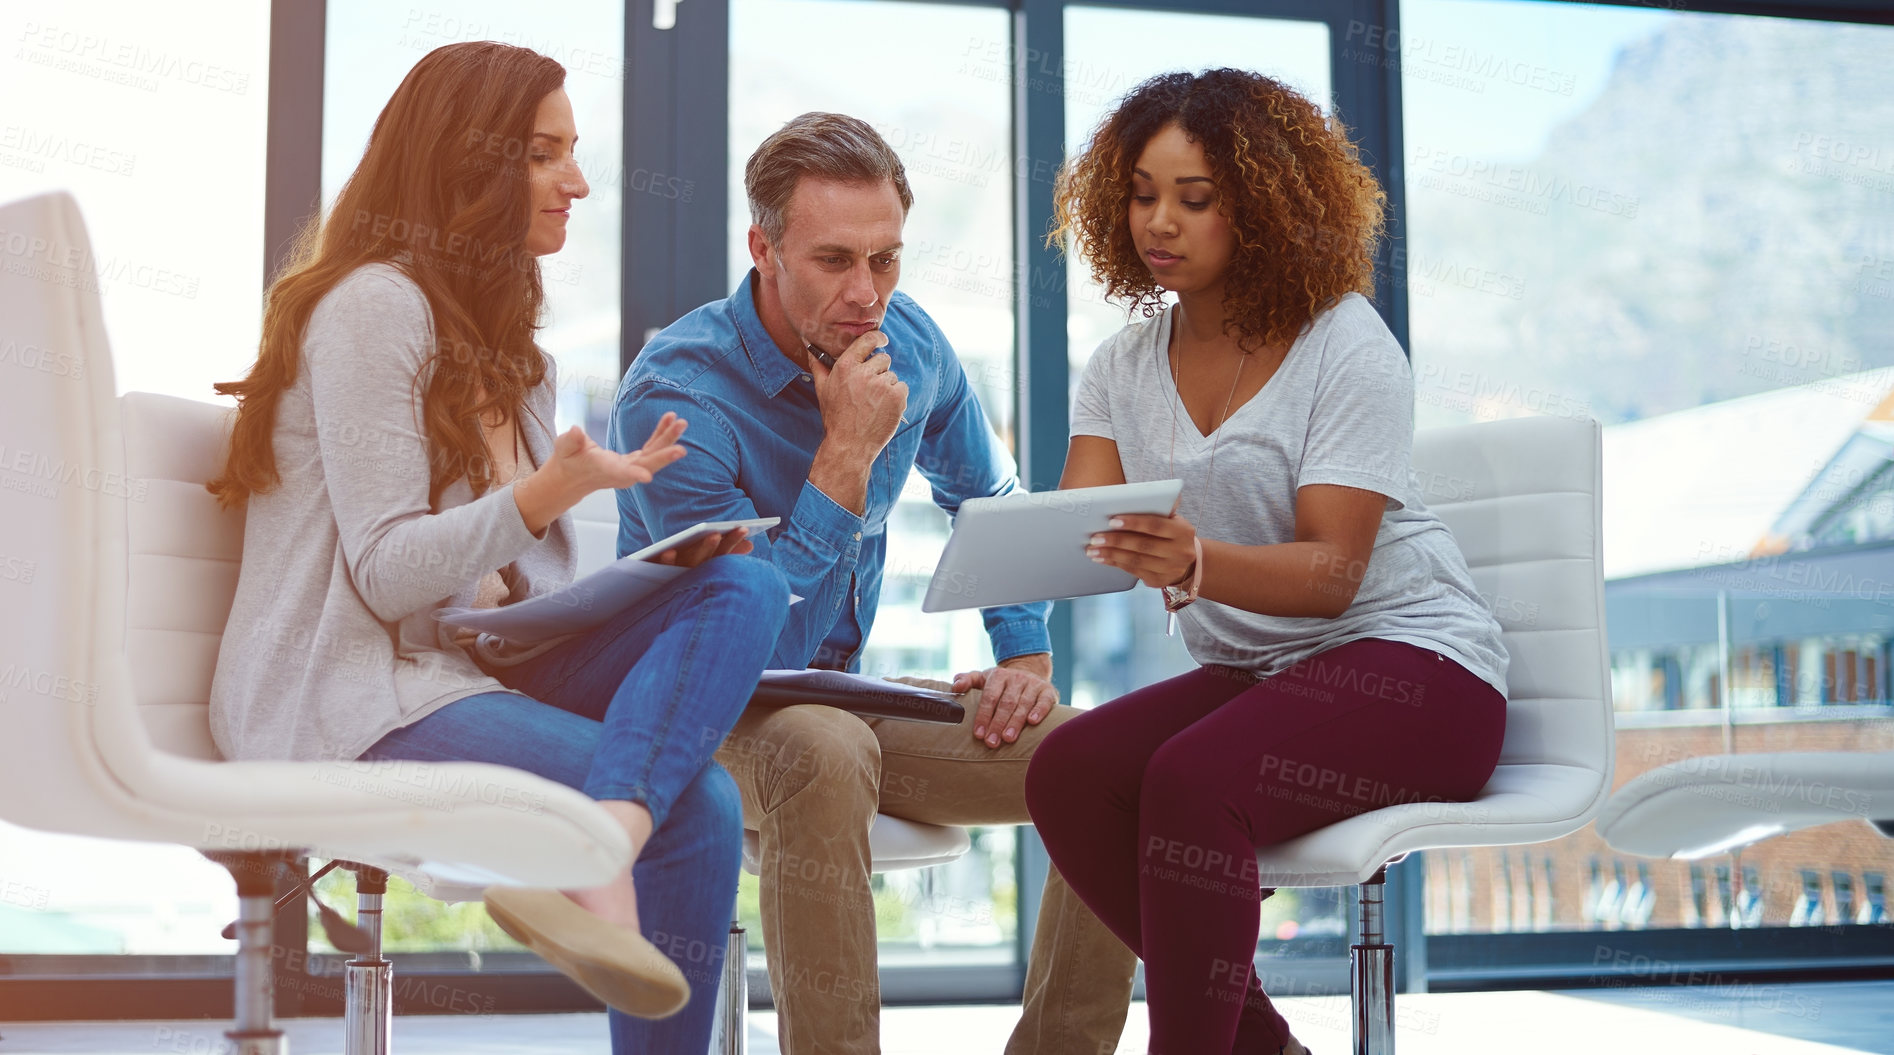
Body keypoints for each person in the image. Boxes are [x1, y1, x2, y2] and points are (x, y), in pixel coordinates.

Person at [205, 42, 789, 1054]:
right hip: (354, 691)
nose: (578, 181)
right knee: (699, 801)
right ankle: (602, 852)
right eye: (543, 154)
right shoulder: (372, 307)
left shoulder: (521, 357)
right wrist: (542, 491)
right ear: (465, 167)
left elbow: (508, 590)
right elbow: (386, 577)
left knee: (742, 579)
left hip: (467, 662)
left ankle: (600, 844)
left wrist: (634, 578)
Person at [608, 112, 1138, 1054]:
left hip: (851, 698)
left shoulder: (915, 346)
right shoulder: (677, 395)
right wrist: (845, 452)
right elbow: (745, 642)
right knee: (822, 744)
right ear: (762, 249)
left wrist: (1023, 649)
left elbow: (989, 491)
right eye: (835, 260)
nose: (868, 295)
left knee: (1108, 766)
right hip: (702, 707)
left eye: (886, 260)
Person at [1023, 69, 1511, 1055]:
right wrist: (1009, 588)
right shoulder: (1120, 364)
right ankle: (1261, 1045)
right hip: (1267, 674)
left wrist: (1195, 560)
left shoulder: (1344, 344)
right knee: (1069, 769)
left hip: (1421, 671)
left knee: (1191, 781)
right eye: (1142, 192)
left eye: (1195, 198)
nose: (1161, 220)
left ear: (1266, 206)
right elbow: (1084, 528)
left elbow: (1333, 571)